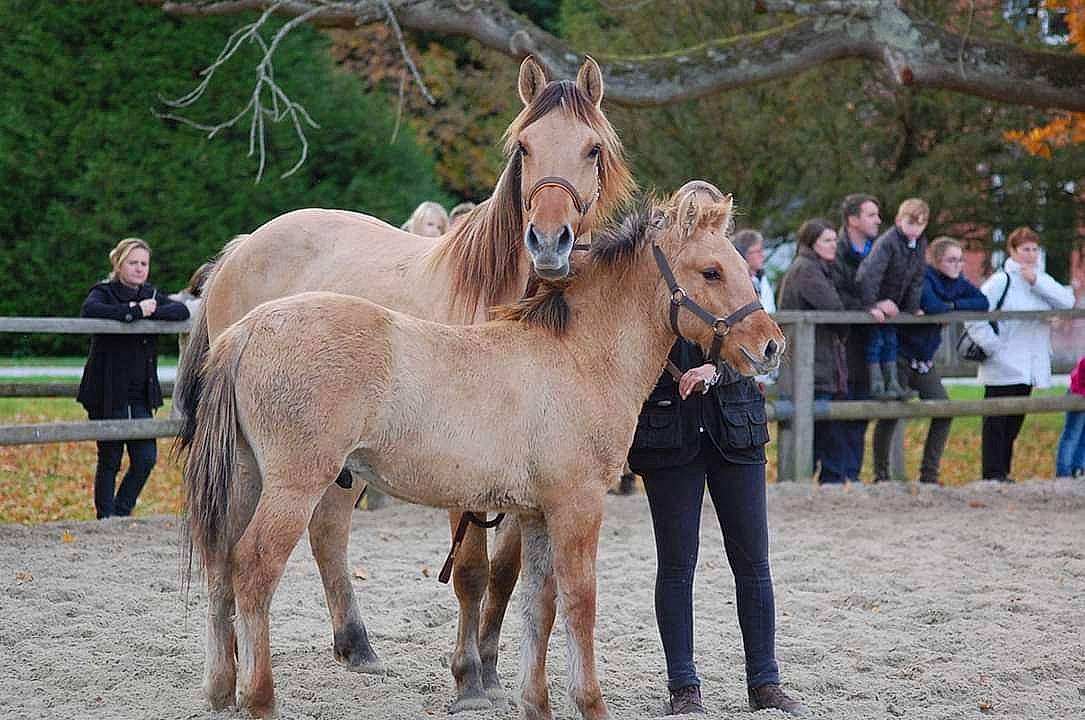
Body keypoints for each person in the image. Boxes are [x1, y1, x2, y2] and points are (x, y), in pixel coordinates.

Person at [627, 341, 806, 716]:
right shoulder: (651, 285)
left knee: (754, 564)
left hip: (737, 428)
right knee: (676, 566)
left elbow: (766, 351)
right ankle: (683, 686)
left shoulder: (737, 283)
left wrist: (718, 371)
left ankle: (765, 683)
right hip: (668, 432)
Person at [77, 237, 189, 519]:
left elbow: (181, 311)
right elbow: (90, 311)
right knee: (110, 457)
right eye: (133, 263)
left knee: (145, 458)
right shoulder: (104, 292)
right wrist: (133, 312)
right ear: (119, 263)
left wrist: (151, 311)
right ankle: (105, 518)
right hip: (107, 389)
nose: (140, 269)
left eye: (144, 263)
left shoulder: (150, 293)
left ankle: (121, 511)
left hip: (140, 392)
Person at [967, 227, 1075, 482]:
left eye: (1035, 249)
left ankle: (1004, 472)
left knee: (1013, 422)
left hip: (1029, 363)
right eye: (1025, 249)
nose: (1030, 255)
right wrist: (993, 346)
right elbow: (974, 317)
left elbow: (1066, 301)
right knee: (996, 423)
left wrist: (1036, 281)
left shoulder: (1040, 280)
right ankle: (992, 475)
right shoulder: (1000, 281)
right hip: (1002, 363)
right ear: (1012, 251)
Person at [888, 237, 988, 484]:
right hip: (902, 355)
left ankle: (929, 474)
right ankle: (883, 474)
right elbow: (930, 304)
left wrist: (950, 305)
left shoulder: (958, 283)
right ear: (936, 260)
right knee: (891, 413)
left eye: (960, 260)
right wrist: (940, 308)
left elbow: (982, 302)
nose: (957, 265)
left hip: (924, 360)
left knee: (944, 409)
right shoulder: (925, 277)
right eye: (951, 260)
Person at [829, 194, 898, 482]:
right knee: (842, 413)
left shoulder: (879, 251)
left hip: (871, 344)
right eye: (871, 215)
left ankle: (853, 475)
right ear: (853, 220)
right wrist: (869, 307)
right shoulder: (836, 252)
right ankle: (837, 475)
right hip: (844, 345)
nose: (878, 220)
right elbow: (837, 295)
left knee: (861, 414)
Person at [777, 218, 849, 484]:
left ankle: (825, 476)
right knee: (819, 426)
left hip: (819, 359)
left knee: (825, 428)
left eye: (835, 240)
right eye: (827, 241)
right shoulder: (806, 269)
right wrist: (843, 331)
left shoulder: (818, 267)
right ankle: (818, 478)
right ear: (812, 243)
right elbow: (834, 308)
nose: (834, 246)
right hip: (811, 363)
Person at [856, 197, 930, 401]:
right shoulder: (888, 243)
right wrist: (871, 305)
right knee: (876, 342)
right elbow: (871, 274)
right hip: (877, 301)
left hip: (893, 305)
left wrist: (912, 307)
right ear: (899, 220)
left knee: (890, 342)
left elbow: (916, 278)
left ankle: (893, 383)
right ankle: (877, 385)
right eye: (911, 223)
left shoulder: (919, 245)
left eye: (921, 224)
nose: (916, 229)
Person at [733, 229, 777, 314]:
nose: (762, 255)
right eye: (758, 251)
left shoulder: (760, 278)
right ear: (743, 253)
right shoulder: (737, 282)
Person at [1055, 355, 1085, 478]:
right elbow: (1080, 380)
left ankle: (1078, 468)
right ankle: (1064, 472)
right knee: (1072, 434)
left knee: (1083, 436)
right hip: (1078, 395)